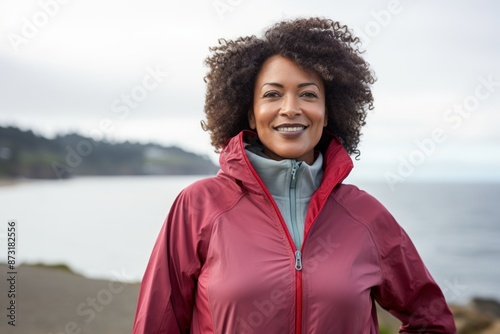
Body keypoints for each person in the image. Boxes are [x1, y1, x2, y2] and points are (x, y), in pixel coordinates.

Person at [132, 17, 456, 333]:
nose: (290, 108)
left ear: (328, 111)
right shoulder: (198, 207)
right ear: (250, 111)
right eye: (272, 94)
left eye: (308, 94)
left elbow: (432, 321)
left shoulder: (366, 216)